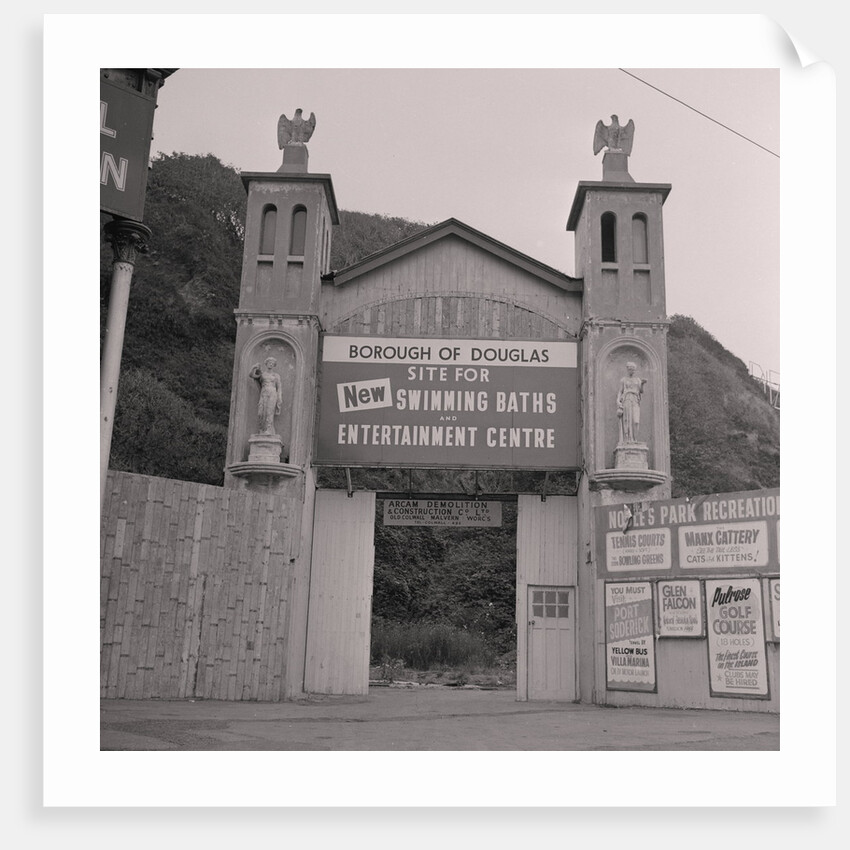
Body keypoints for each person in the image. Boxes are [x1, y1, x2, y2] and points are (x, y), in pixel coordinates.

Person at [249, 357, 283, 435]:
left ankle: (268, 430)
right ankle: (262, 429)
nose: (271, 364)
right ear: (266, 364)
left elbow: (279, 387)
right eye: (269, 363)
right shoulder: (262, 374)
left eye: (272, 363)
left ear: (274, 365)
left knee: (269, 411)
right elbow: (251, 375)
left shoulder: (276, 375)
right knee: (261, 412)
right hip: (264, 393)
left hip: (272, 393)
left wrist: (279, 397)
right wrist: (254, 367)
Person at [617, 362, 646, 443]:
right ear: (627, 369)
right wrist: (618, 401)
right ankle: (628, 440)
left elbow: (641, 391)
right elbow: (620, 391)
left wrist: (642, 384)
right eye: (630, 369)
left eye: (633, 369)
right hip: (627, 399)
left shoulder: (637, 380)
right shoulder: (623, 380)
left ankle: (635, 439)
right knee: (627, 420)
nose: (632, 371)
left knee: (636, 421)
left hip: (635, 400)